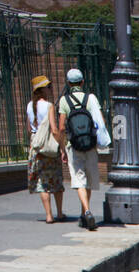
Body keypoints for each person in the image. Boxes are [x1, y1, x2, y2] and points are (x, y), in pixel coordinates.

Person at [57, 68, 109, 231]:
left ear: (68, 83)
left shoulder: (64, 101)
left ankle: (86, 211)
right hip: (91, 145)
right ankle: (84, 215)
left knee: (79, 179)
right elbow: (101, 121)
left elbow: (61, 127)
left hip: (74, 145)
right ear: (82, 82)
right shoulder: (90, 98)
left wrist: (62, 149)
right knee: (88, 179)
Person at [26, 76, 66, 224]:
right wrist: (62, 148)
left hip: (36, 146)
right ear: (41, 89)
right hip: (49, 147)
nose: (50, 89)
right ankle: (60, 213)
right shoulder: (49, 105)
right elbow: (55, 129)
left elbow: (29, 128)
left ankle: (48, 215)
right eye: (48, 87)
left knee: (42, 183)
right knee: (55, 180)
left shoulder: (29, 105)